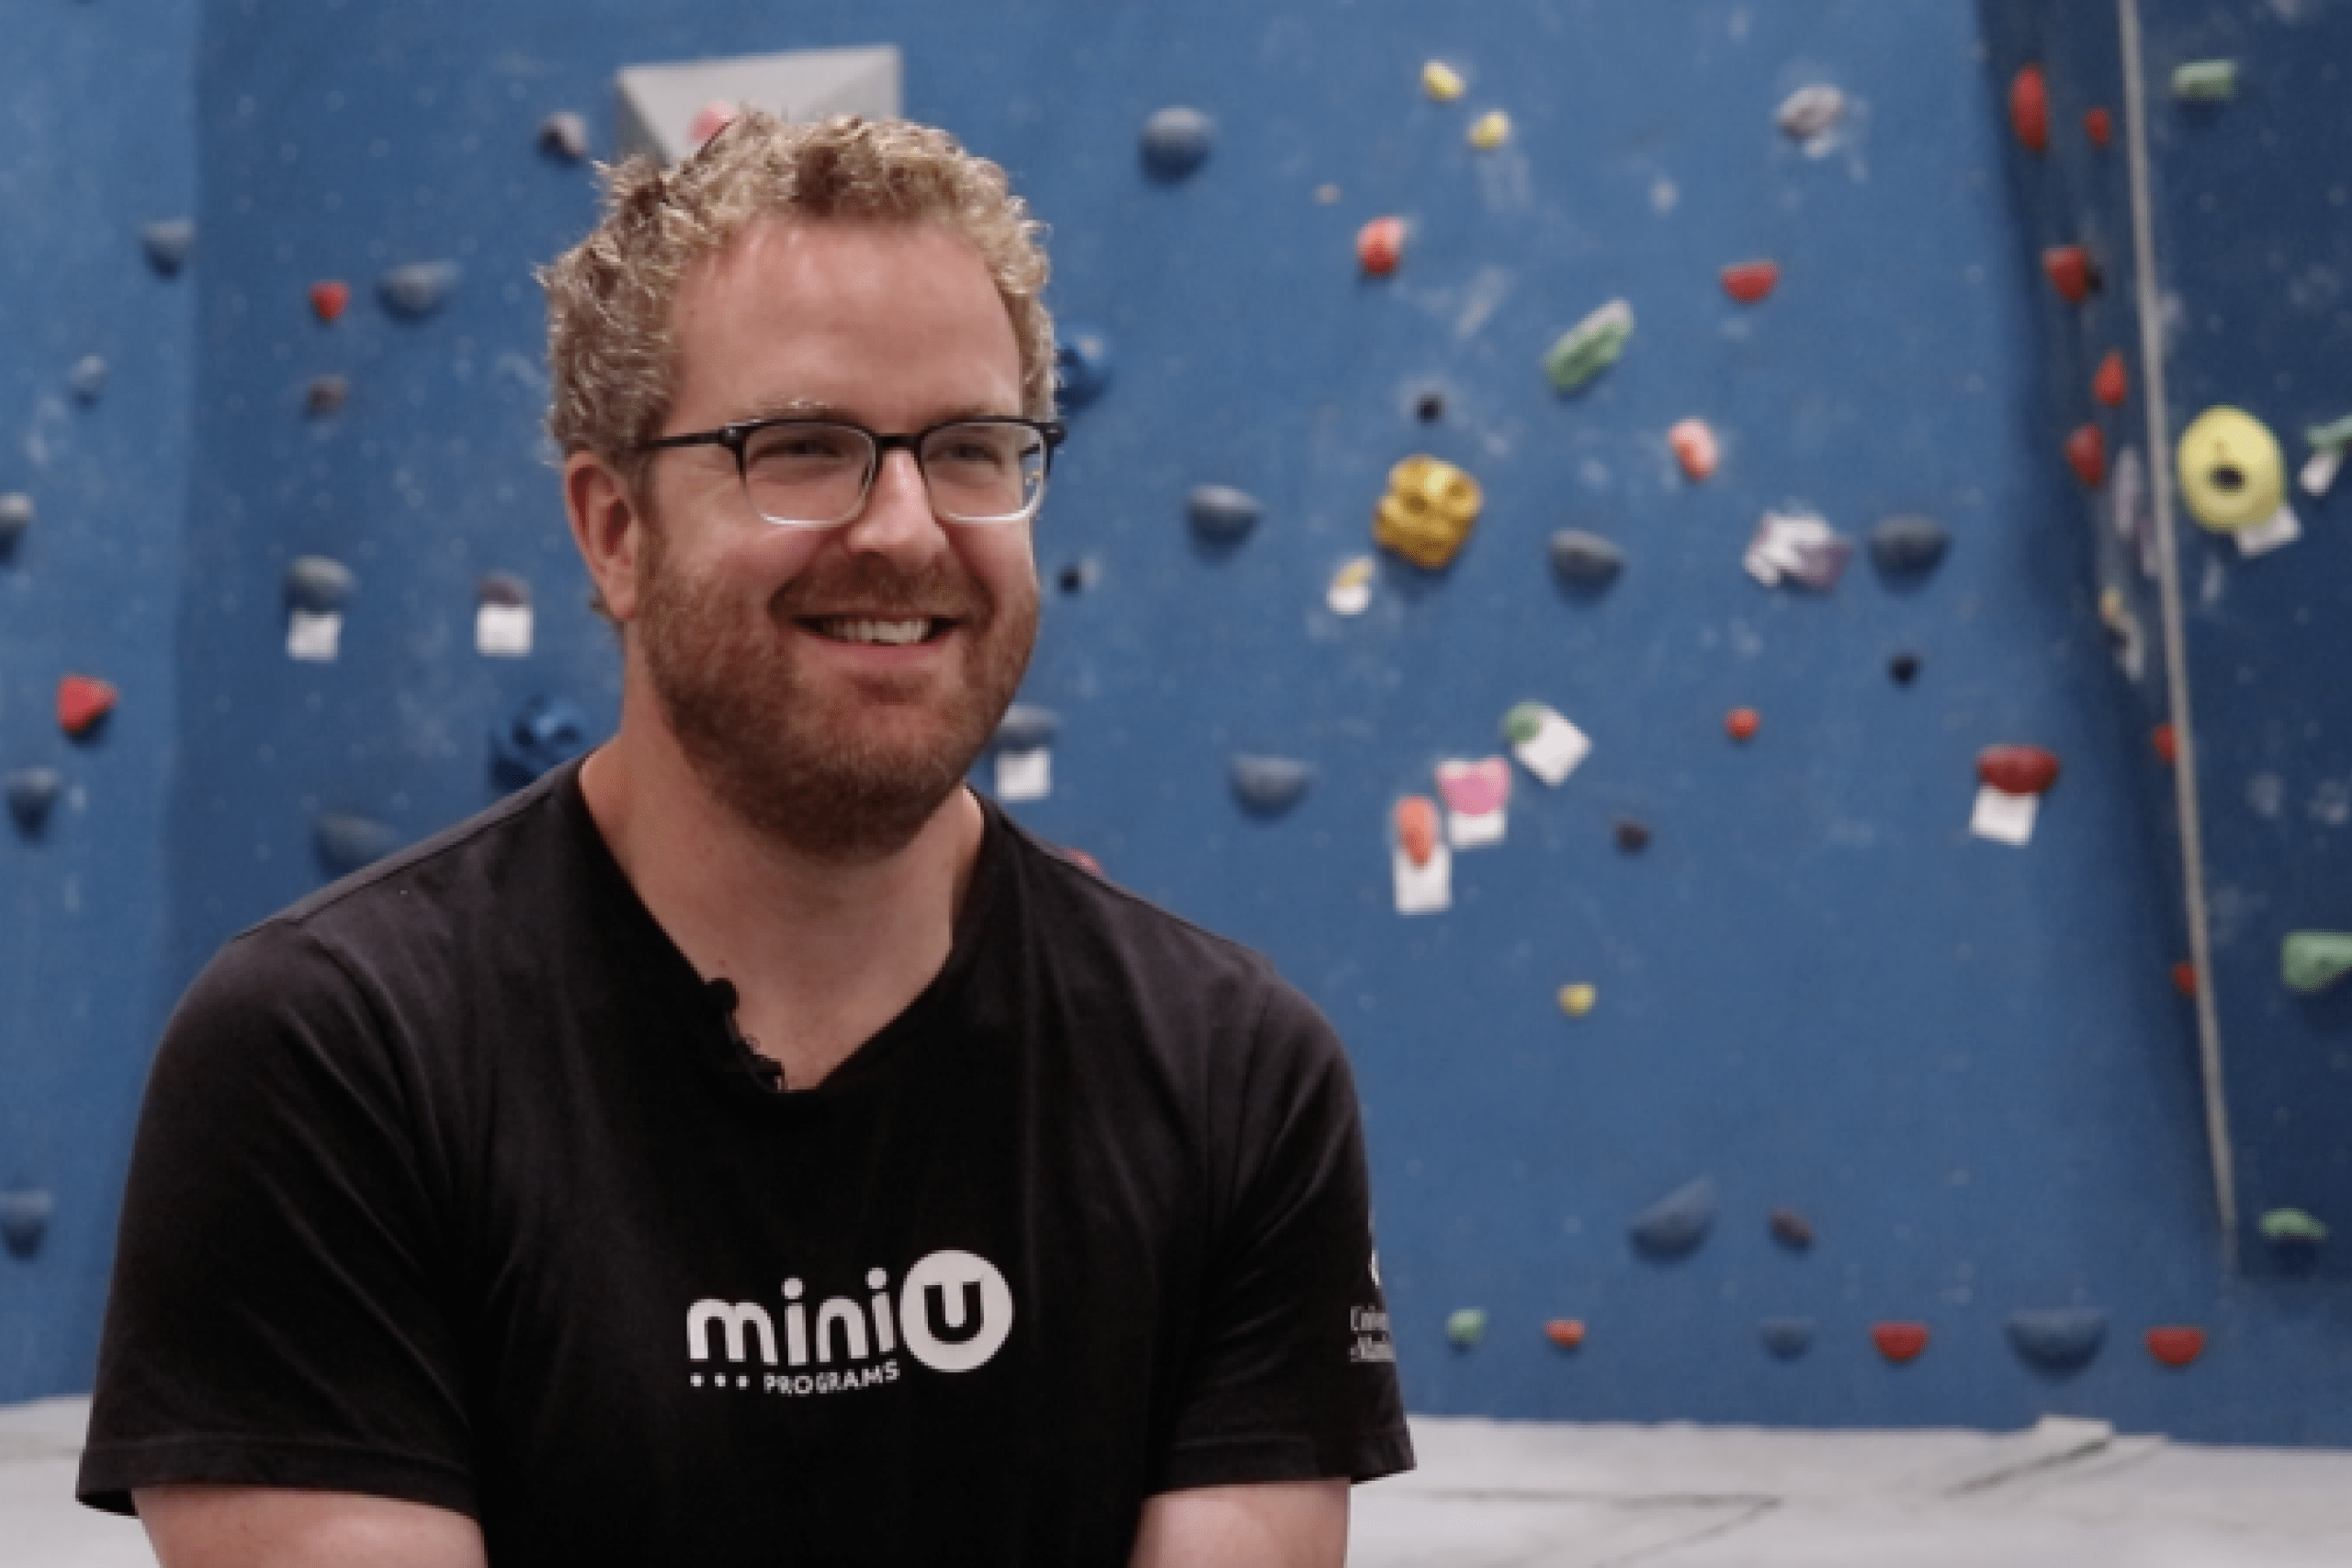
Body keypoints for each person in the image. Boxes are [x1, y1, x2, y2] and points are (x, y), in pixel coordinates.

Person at [76, 113, 1410, 1565]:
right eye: (805, 448)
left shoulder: (1236, 1080)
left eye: (971, 448)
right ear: (614, 530)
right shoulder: (333, 1058)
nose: (905, 526)